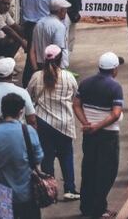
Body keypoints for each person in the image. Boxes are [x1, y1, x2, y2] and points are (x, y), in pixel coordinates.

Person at [26, 44, 80, 201]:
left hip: (43, 123)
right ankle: (69, 189)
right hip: (64, 123)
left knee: (47, 158)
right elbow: (75, 95)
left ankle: (50, 191)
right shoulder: (68, 77)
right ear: (61, 59)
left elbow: (28, 95)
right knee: (66, 156)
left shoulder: (36, 77)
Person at [75, 52, 124, 218]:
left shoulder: (85, 83)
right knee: (106, 172)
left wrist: (86, 123)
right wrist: (98, 126)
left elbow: (76, 105)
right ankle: (99, 208)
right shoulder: (115, 87)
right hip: (108, 136)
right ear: (114, 69)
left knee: (89, 168)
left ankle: (86, 206)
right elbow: (115, 114)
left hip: (89, 134)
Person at [0, 93, 44, 219]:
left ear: (3, 110)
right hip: (26, 195)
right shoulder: (28, 131)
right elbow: (38, 158)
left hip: (0, 196)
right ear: (20, 112)